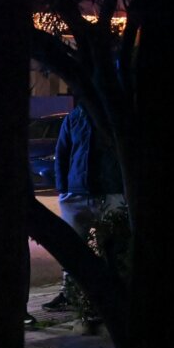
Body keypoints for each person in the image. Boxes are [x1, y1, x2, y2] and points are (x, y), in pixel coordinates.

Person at [42, 103, 125, 311]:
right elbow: (62, 152)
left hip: (110, 191)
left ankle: (114, 293)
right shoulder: (75, 117)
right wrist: (63, 189)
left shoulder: (113, 113)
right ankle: (71, 293)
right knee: (71, 246)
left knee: (115, 248)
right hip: (78, 193)